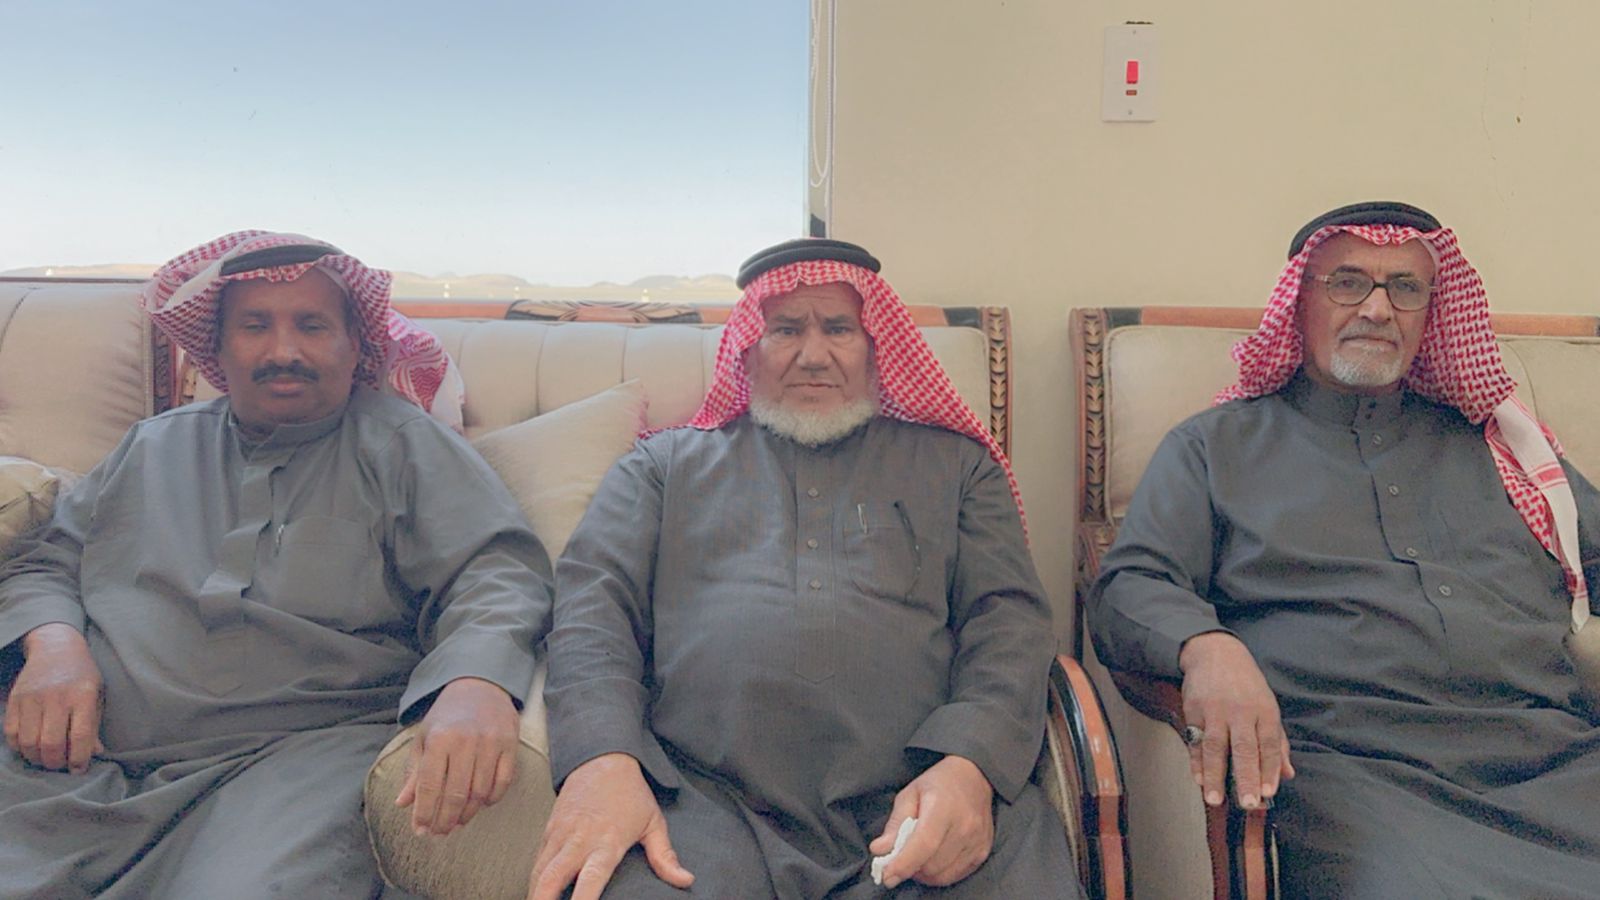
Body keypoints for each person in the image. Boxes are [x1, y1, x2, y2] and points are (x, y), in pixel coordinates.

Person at [0, 230, 553, 898]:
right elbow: (48, 557)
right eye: (255, 326)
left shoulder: (404, 446)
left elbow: (496, 572)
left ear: (355, 346)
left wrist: (475, 682)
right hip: (78, 753)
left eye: (312, 326)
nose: (283, 351)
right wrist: (54, 648)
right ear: (218, 349)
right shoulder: (152, 445)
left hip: (293, 762)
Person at [529, 239, 1081, 899]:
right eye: (786, 330)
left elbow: (1010, 623)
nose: (814, 355)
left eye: (839, 329)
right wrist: (603, 759)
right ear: (748, 348)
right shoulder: (660, 470)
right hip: (700, 805)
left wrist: (970, 764)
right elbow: (592, 613)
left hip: (918, 797)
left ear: (875, 344)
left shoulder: (960, 468)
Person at [1090, 201, 1600, 897]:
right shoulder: (1215, 448)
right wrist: (1207, 648)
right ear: (1299, 302)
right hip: (1356, 776)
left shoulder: (1500, 447)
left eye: (1406, 287)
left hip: (1555, 758)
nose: (1378, 309)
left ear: (1433, 311)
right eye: (1349, 282)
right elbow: (1130, 583)